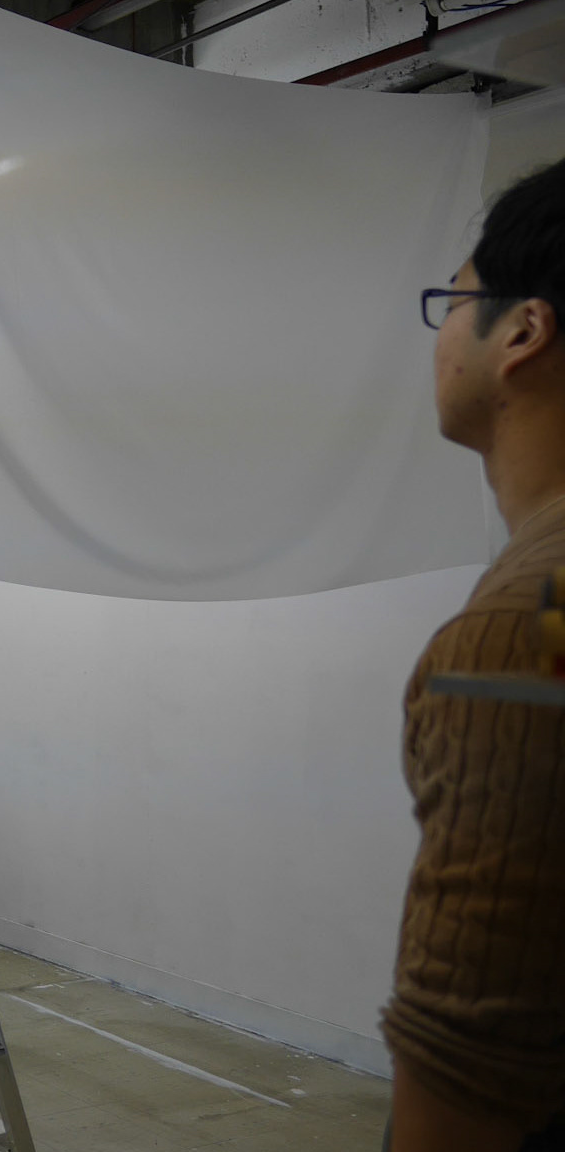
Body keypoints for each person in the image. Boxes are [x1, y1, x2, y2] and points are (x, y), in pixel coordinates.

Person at [385, 157, 565, 1152]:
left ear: (523, 332)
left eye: (450, 303)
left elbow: (468, 1063)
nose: (441, 336)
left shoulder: (525, 629)